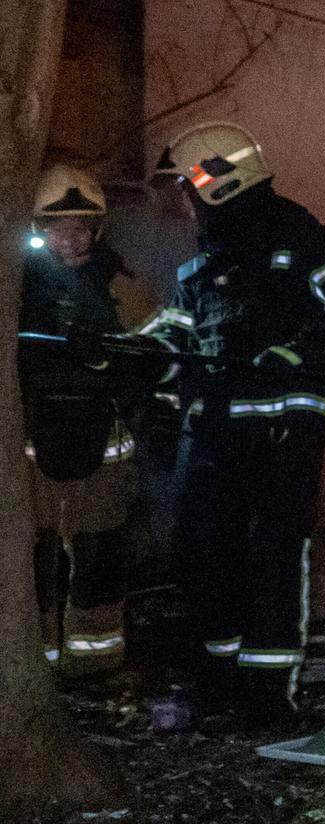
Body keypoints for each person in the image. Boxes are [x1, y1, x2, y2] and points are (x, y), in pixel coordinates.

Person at [137, 122, 325, 727]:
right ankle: (218, 685)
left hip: (281, 430)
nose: (183, 202)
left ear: (216, 181)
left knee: (271, 555)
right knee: (205, 553)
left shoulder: (298, 237)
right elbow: (175, 336)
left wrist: (299, 353)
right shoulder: (201, 267)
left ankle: (267, 701)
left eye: (186, 188)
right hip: (215, 429)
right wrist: (127, 355)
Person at [19, 164, 157, 676]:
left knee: (98, 555)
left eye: (81, 226)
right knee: (36, 555)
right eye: (57, 226)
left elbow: (152, 356)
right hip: (32, 444)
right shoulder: (14, 289)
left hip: (105, 445)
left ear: (97, 231)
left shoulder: (123, 288)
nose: (70, 237)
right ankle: (37, 662)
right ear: (36, 230)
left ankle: (94, 664)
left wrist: (104, 353)